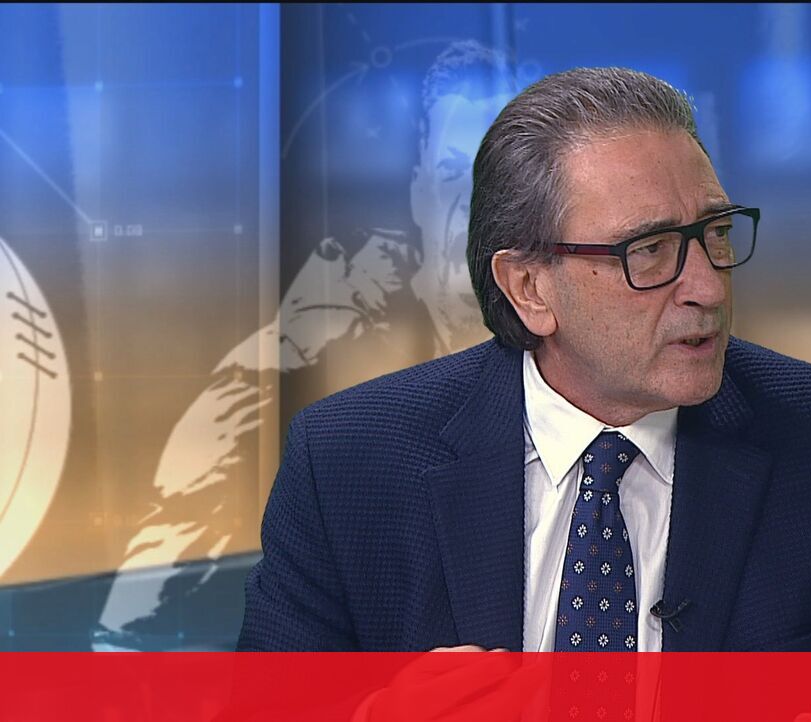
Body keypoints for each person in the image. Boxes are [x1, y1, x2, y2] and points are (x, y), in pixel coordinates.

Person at [238, 67, 811, 654]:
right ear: (530, 288)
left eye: (715, 232)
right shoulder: (347, 464)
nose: (708, 286)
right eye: (649, 250)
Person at [93, 40, 513, 651]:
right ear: (417, 190)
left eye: (528, 196)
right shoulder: (316, 358)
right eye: (458, 178)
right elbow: (130, 630)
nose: (493, 217)